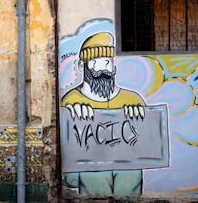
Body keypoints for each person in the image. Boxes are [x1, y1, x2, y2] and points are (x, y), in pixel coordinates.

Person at [61, 32, 146, 197]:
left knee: (130, 174)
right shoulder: (71, 100)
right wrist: (70, 112)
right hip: (91, 168)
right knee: (93, 176)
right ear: (82, 65)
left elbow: (146, 143)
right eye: (94, 62)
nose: (102, 69)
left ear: (114, 67)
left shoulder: (132, 99)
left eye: (107, 62)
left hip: (126, 167)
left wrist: (139, 117)